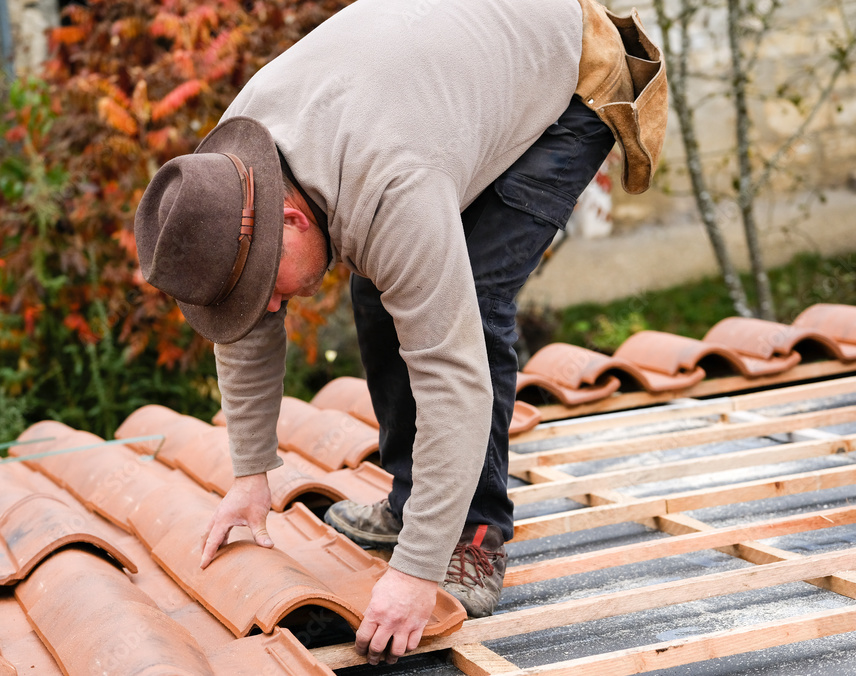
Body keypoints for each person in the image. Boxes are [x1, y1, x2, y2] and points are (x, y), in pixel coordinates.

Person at [134, 0, 666, 665]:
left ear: (293, 221)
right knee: (384, 281)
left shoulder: (390, 186)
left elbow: (454, 375)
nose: (268, 307)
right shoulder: (228, 175)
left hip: (570, 80)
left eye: (265, 286)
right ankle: (413, 498)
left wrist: (416, 572)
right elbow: (246, 318)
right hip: (445, 82)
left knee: (469, 291)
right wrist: (249, 473)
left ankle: (473, 537)